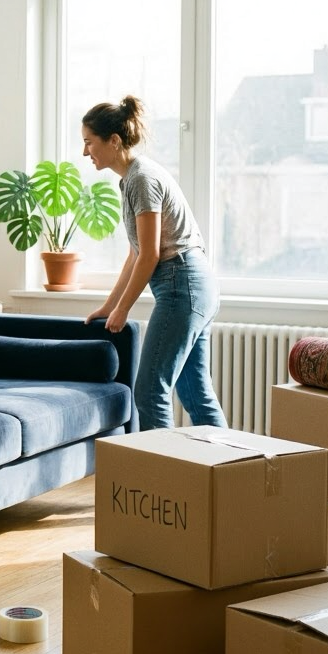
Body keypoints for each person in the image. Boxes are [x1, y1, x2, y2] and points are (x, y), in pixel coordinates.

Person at [81, 95, 226, 431]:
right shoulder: (132, 179)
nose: (85, 152)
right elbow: (135, 253)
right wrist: (109, 305)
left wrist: (123, 310)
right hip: (195, 285)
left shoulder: (142, 179)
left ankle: (164, 481)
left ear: (113, 141)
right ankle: (231, 479)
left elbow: (150, 255)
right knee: (195, 393)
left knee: (149, 391)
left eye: (89, 143)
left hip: (183, 286)